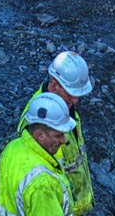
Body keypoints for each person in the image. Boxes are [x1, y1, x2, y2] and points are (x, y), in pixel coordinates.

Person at [17, 52, 95, 216]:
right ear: (54, 86)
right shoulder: (37, 122)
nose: (76, 100)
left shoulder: (65, 109)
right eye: (70, 94)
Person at [0, 92, 75, 216]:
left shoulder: (13, 147)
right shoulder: (43, 186)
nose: (64, 140)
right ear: (40, 135)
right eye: (58, 135)